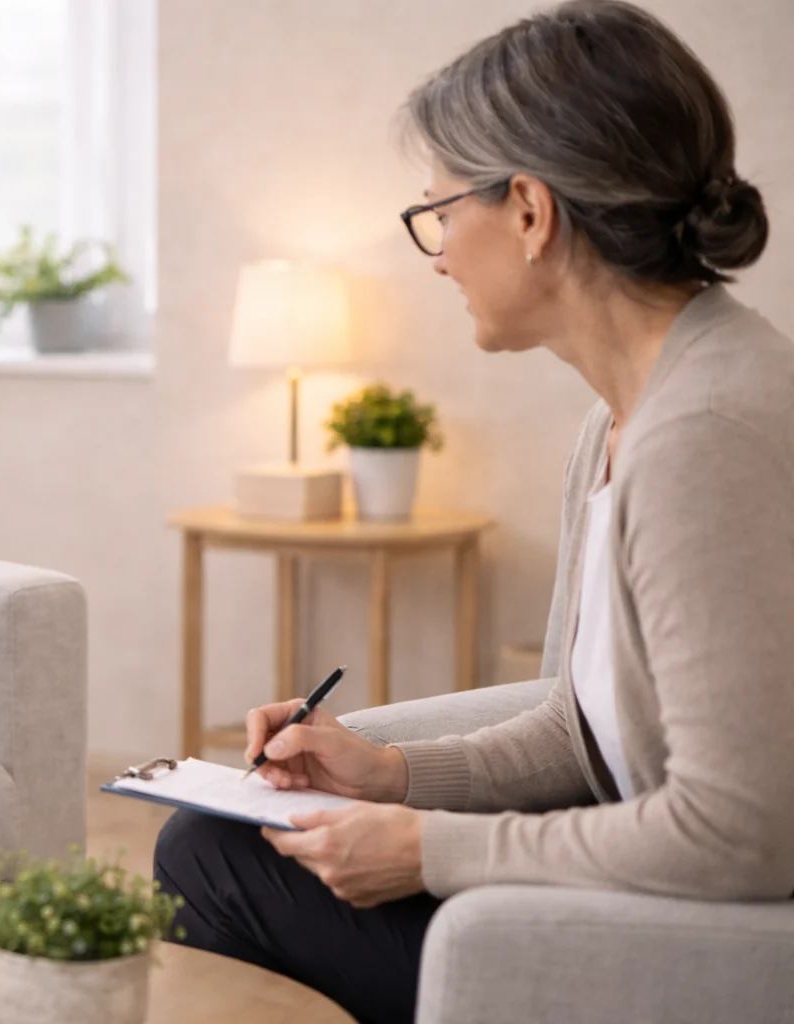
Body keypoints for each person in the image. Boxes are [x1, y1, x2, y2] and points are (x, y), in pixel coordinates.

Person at [153, 3, 793, 1022]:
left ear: (531, 213)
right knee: (210, 837)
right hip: (631, 875)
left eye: (440, 213)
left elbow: (742, 832)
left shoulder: (702, 437)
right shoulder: (628, 412)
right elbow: (587, 734)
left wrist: (429, 849)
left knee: (213, 864)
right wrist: (389, 774)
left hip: (687, 929)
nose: (439, 252)